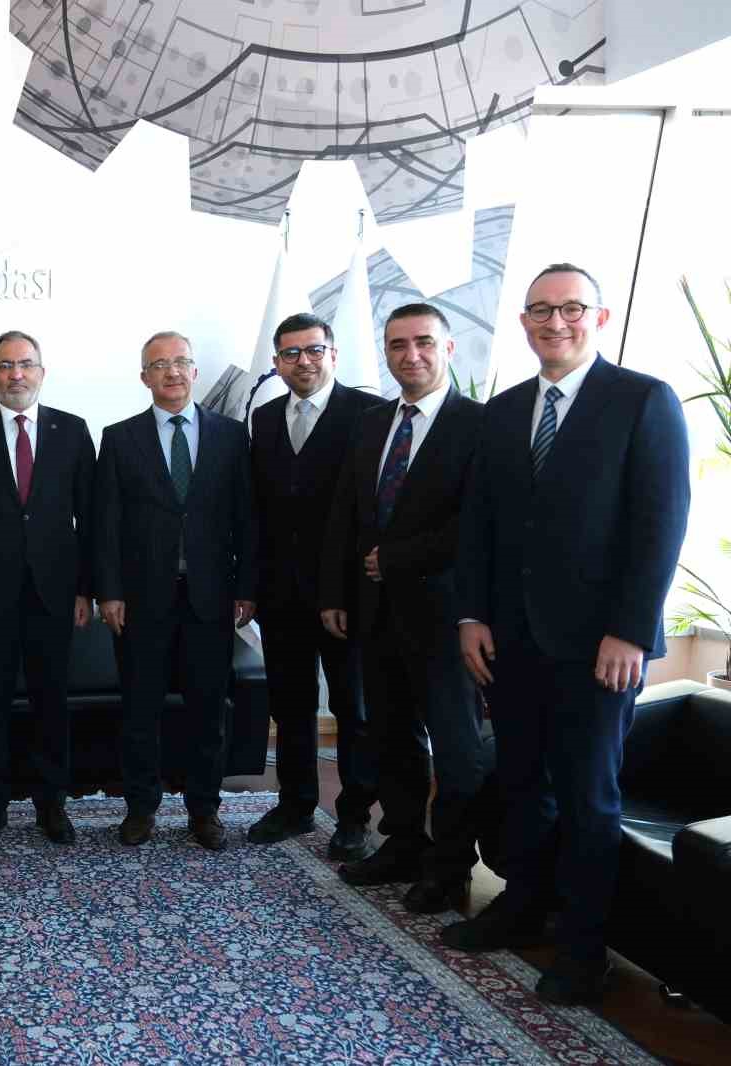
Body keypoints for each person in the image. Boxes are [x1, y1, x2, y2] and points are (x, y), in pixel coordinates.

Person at [447, 264, 690, 1005]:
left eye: (572, 308)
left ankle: (585, 950)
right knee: (523, 786)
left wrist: (629, 631)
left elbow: (660, 524)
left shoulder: (642, 400)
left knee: (589, 798)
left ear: (600, 317)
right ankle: (523, 906)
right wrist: (471, 615)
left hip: (598, 651)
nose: (556, 322)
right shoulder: (503, 410)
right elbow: (479, 524)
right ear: (524, 321)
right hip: (510, 643)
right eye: (541, 310)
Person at [319, 304, 486, 916]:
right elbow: (346, 512)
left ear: (448, 348)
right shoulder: (372, 423)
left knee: (456, 748)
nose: (410, 355)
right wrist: (334, 593)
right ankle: (404, 843)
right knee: (391, 737)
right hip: (374, 611)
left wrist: (396, 558)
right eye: (397, 345)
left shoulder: (480, 425)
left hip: (448, 617)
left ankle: (450, 867)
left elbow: (479, 523)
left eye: (423, 342)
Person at [95, 331, 257, 849]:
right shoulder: (119, 438)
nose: (172, 372)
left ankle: (204, 811)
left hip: (211, 597)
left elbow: (247, 517)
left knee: (208, 713)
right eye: (159, 364)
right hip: (142, 600)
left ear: (194, 371)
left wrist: (247, 587)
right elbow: (105, 523)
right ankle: (141, 809)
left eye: (180, 361)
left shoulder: (231, 436)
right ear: (144, 377)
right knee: (140, 711)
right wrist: (109, 591)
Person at [0, 330, 94, 845]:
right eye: (5, 366)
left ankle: (52, 804)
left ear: (41, 372)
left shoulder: (72, 430)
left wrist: (85, 589)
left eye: (25, 364)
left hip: (54, 593)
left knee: (51, 702)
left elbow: (90, 517)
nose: (16, 375)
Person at [247, 313, 383, 861]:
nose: (303, 361)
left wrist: (345, 591)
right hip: (281, 594)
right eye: (291, 353)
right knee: (291, 705)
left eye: (313, 350)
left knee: (354, 709)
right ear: (277, 362)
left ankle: (353, 817)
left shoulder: (370, 414)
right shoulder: (264, 418)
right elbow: (259, 510)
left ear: (333, 353)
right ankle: (296, 804)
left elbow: (371, 510)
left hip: (346, 597)